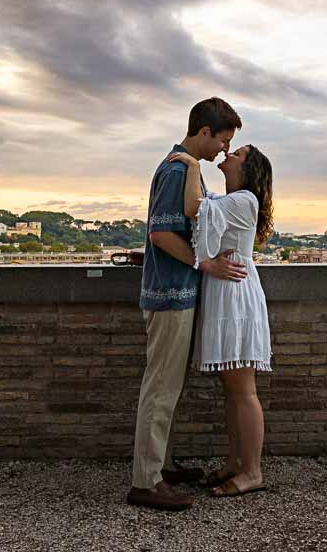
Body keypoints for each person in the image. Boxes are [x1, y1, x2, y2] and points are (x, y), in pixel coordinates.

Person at [126, 98, 247, 512]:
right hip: (170, 295)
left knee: (167, 386)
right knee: (161, 387)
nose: (224, 152)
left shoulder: (182, 167)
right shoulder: (178, 169)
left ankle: (160, 465)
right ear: (204, 132)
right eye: (223, 141)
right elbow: (162, 234)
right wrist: (205, 263)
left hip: (175, 292)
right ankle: (146, 481)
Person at [165, 142, 274, 498]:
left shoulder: (245, 200)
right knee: (232, 390)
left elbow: (193, 207)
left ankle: (252, 471)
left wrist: (192, 163)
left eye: (238, 154)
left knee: (243, 390)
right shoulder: (228, 201)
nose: (229, 155)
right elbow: (204, 212)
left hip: (236, 296)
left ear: (249, 169)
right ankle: (235, 463)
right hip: (224, 291)